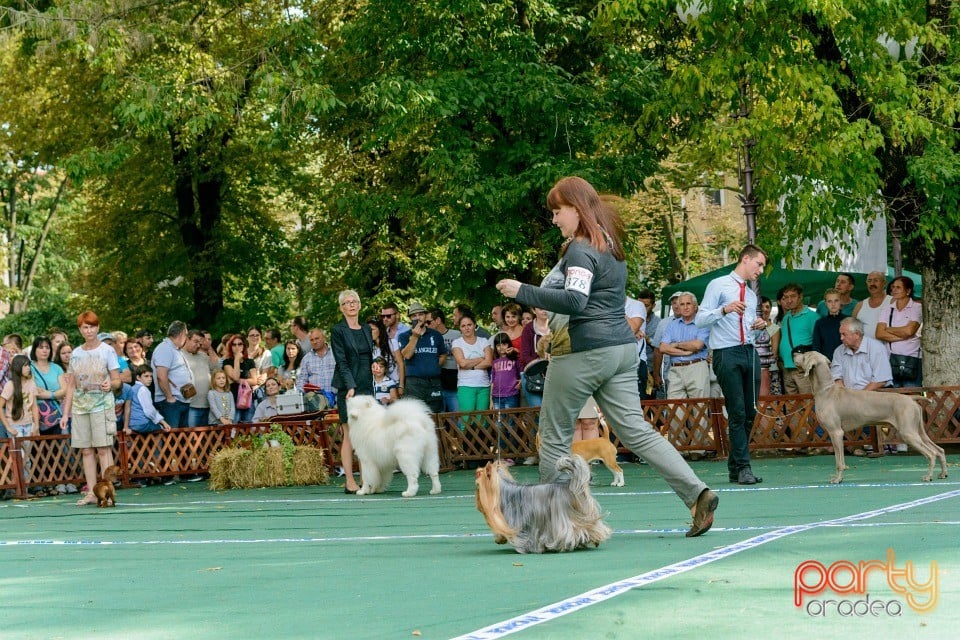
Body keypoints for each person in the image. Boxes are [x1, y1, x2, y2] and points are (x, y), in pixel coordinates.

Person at [497, 176, 717, 536]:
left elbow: (575, 301)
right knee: (637, 431)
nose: (554, 220)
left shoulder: (580, 250)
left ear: (576, 208)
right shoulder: (611, 246)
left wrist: (524, 291)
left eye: (557, 211)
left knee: (552, 438)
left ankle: (547, 525)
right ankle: (697, 493)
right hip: (621, 351)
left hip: (584, 352)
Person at [695, 243, 769, 486]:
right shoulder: (718, 285)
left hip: (749, 351)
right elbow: (700, 319)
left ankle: (736, 467)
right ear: (745, 259)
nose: (760, 270)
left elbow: (747, 330)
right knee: (737, 412)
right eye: (759, 264)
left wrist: (758, 327)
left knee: (749, 412)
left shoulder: (749, 293)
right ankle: (743, 467)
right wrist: (724, 309)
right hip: (726, 353)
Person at [60, 311, 121, 506]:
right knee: (86, 451)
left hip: (102, 406)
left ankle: (108, 492)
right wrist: (65, 412)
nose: (89, 330)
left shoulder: (107, 351)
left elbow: (118, 379)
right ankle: (92, 493)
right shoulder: (76, 353)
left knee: (103, 449)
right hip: (80, 408)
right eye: (85, 327)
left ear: (98, 328)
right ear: (80, 330)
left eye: (92, 326)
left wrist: (111, 384)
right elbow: (71, 384)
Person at [330, 289, 375, 495]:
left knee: (366, 435)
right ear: (341, 308)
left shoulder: (366, 329)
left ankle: (367, 480)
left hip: (366, 385)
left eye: (354, 301)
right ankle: (349, 480)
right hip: (348, 387)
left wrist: (375, 367)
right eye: (347, 303)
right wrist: (350, 386)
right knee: (349, 434)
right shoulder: (338, 331)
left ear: (359, 304)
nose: (351, 305)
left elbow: (368, 357)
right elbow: (342, 361)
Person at [659, 293, 711, 400]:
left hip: (697, 367)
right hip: (675, 369)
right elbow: (663, 348)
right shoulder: (672, 324)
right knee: (674, 409)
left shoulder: (702, 323)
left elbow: (697, 346)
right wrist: (685, 352)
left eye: (688, 304)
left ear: (695, 306)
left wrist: (677, 344)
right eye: (682, 304)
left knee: (699, 408)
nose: (685, 307)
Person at [398, 301, 447, 413]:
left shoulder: (436, 335)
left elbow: (443, 354)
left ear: (425, 316)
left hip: (434, 382)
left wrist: (434, 366)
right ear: (410, 318)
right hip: (414, 383)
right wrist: (415, 336)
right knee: (414, 417)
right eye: (414, 315)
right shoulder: (404, 336)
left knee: (435, 416)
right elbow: (407, 355)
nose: (418, 317)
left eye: (420, 314)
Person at [876, 275, 923, 390]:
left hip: (912, 359)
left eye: (898, 287)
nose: (894, 290)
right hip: (891, 359)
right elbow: (879, 334)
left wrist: (889, 329)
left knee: (912, 395)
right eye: (893, 287)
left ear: (908, 291)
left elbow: (909, 330)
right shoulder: (887, 309)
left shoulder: (916, 307)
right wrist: (904, 335)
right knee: (894, 398)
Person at [0, 356, 40, 490]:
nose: (28, 368)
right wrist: (8, 426)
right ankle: (17, 487)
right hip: (15, 425)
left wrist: (36, 425)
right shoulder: (10, 385)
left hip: (29, 424)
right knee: (18, 457)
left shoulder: (31, 383)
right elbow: (0, 406)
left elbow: (34, 406)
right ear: (18, 368)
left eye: (29, 365)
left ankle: (26, 488)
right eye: (25, 365)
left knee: (27, 458)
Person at [772, 283, 816, 395]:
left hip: (802, 369)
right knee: (791, 406)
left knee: (808, 405)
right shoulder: (786, 317)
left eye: (793, 296)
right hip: (786, 368)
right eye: (786, 297)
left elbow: (818, 343)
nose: (789, 300)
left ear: (801, 297)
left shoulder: (812, 316)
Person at [151, 321, 195, 428]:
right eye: (186, 335)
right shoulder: (165, 348)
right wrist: (169, 397)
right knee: (172, 438)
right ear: (181, 334)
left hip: (180, 400)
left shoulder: (174, 349)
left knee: (181, 438)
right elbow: (161, 376)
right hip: (171, 402)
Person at [451, 312, 493, 418]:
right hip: (466, 385)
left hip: (484, 385)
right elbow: (462, 363)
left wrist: (471, 365)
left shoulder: (483, 341)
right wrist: (480, 359)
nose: (467, 328)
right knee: (466, 419)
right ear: (459, 328)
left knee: (482, 420)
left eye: (469, 325)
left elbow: (488, 362)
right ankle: (462, 436)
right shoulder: (457, 343)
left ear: (474, 325)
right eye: (463, 326)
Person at [29, 336, 67, 435]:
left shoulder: (57, 367)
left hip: (56, 414)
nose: (45, 350)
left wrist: (49, 394)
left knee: (58, 447)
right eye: (41, 347)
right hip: (35, 414)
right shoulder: (29, 367)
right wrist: (56, 393)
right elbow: (32, 391)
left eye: (47, 347)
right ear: (34, 350)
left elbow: (64, 390)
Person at [428, 308, 461, 412]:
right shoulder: (428, 338)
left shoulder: (457, 335)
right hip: (437, 381)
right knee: (440, 416)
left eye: (428, 322)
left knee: (456, 415)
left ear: (438, 320)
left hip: (454, 380)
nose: (426, 325)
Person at [124, 365, 172, 434]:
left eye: (151, 376)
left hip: (131, 424)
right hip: (142, 423)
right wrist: (163, 422)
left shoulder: (133, 388)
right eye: (146, 376)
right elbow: (149, 411)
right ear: (138, 377)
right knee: (162, 430)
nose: (150, 379)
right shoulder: (143, 389)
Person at [183, 329, 217, 426]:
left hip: (207, 404)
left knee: (205, 438)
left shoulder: (203, 356)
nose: (198, 345)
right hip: (191, 405)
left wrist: (209, 346)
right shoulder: (179, 355)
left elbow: (216, 367)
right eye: (196, 342)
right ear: (187, 339)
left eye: (200, 343)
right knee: (191, 437)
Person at [222, 333, 259, 422]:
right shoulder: (227, 362)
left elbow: (254, 381)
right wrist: (237, 360)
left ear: (244, 346)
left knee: (249, 425)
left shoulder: (250, 361)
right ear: (231, 347)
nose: (237, 346)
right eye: (234, 344)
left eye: (240, 344)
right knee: (234, 427)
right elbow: (235, 376)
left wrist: (236, 380)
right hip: (233, 398)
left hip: (247, 398)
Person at [297, 328, 336, 410]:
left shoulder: (336, 353)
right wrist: (299, 397)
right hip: (316, 402)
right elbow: (302, 380)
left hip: (337, 398)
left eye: (317, 338)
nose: (314, 342)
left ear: (324, 338)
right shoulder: (306, 359)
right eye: (311, 340)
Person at [518, 306, 550, 407]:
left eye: (547, 307)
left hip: (554, 374)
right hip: (532, 374)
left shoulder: (556, 326)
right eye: (541, 308)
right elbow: (524, 356)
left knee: (553, 411)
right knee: (537, 411)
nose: (544, 310)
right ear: (533, 310)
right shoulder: (528, 329)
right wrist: (543, 361)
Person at [852, 271, 891, 340]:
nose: (872, 284)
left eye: (876, 280)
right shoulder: (860, 305)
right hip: (863, 349)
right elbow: (852, 329)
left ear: (884, 283)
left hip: (885, 349)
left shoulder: (892, 302)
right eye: (869, 281)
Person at [754, 296, 780, 396]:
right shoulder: (752, 326)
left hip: (770, 369)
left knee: (772, 398)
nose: (765, 309)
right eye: (762, 306)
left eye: (767, 307)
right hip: (754, 368)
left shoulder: (774, 328)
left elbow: (774, 352)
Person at [812, 288, 846, 361]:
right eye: (829, 301)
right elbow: (816, 346)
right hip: (827, 364)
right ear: (825, 303)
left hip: (846, 363)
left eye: (836, 301)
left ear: (841, 301)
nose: (833, 304)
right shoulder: (820, 323)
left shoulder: (849, 321)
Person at [490, 332, 521, 409]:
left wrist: (521, 382)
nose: (501, 347)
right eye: (498, 345)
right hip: (497, 396)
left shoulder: (515, 359)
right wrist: (491, 399)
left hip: (511, 394)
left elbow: (521, 373)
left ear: (509, 345)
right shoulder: (494, 362)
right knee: (499, 420)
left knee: (510, 420)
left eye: (504, 344)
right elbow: (493, 381)